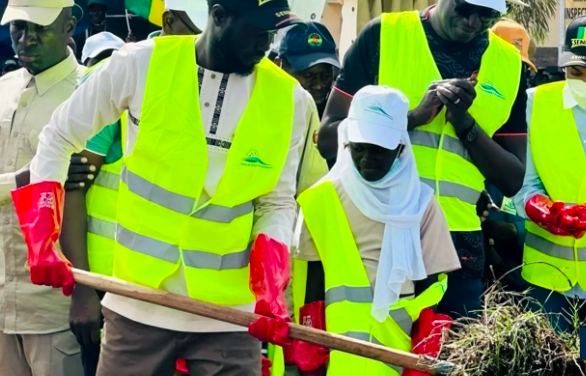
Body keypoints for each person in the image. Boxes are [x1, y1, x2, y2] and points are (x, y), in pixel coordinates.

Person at [12, 1, 319, 376]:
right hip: (137, 305)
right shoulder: (139, 65)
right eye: (257, 30)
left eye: (273, 32)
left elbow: (276, 202)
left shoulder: (291, 101)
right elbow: (59, 137)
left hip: (229, 318)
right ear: (219, 16)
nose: (267, 43)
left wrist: (271, 283)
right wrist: (42, 234)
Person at [318, 0, 528, 318]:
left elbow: (512, 180)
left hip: (459, 246)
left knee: (451, 362)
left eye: (488, 15)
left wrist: (466, 125)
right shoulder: (384, 35)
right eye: (464, 8)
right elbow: (329, 136)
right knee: (378, 356)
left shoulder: (509, 64)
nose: (473, 21)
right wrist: (411, 118)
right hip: (378, 233)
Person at [291, 86, 460, 375]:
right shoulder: (321, 200)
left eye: (379, 149)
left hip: (398, 352)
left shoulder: (419, 203)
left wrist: (426, 349)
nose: (368, 157)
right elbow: (312, 282)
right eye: (359, 148)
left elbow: (432, 285)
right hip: (339, 354)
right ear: (346, 144)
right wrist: (310, 344)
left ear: (400, 148)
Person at [0, 0, 86, 375]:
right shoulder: (3, 88)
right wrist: (26, 179)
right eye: (19, 27)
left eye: (41, 28)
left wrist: (85, 293)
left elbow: (84, 193)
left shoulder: (88, 94)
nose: (27, 39)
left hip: (54, 300)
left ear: (69, 25)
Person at [513, 16, 586, 332]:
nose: (582, 83)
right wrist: (545, 211)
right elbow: (523, 185)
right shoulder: (537, 104)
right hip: (549, 282)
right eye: (576, 72)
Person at [276, 21, 340, 119]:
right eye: (308, 76)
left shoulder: (340, 113)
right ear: (279, 65)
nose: (319, 86)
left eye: (326, 76)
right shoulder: (261, 106)